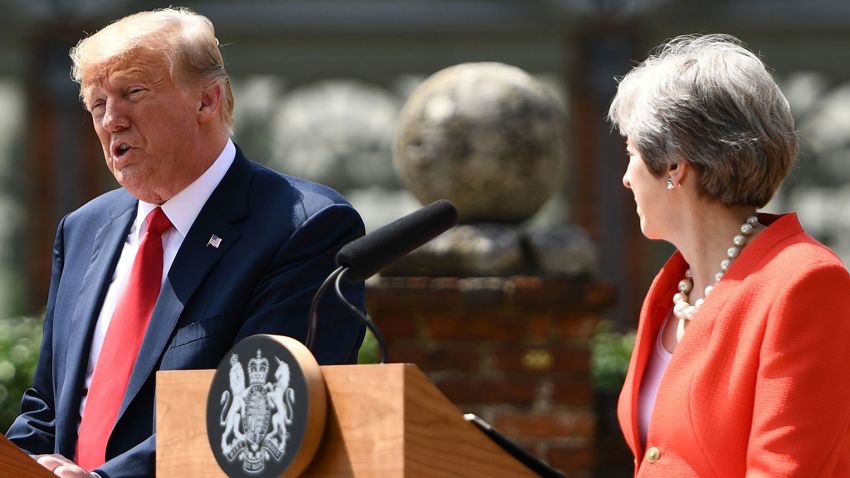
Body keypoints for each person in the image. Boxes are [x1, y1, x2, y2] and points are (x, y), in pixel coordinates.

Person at [5, 7, 365, 478]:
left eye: (132, 92)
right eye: (97, 104)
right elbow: (49, 406)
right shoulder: (82, 229)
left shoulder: (304, 226)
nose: (112, 120)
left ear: (207, 100)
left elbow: (262, 418)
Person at [608, 34, 850, 476]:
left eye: (632, 154)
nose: (626, 178)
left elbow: (786, 468)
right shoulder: (672, 288)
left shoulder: (805, 283)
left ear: (674, 165)